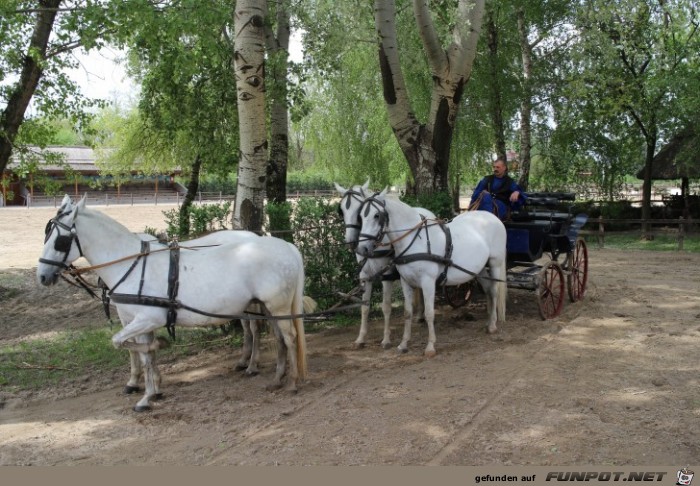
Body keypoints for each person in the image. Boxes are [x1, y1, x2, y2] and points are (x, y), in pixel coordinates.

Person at [469, 156, 526, 221]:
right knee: (485, 196)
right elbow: (475, 195)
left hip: (501, 207)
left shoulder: (510, 182)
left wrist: (517, 192)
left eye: (498, 167)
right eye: (494, 167)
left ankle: (489, 220)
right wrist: (484, 195)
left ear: (504, 168)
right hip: (483, 206)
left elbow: (520, 193)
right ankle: (487, 219)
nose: (495, 169)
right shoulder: (486, 179)